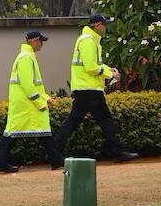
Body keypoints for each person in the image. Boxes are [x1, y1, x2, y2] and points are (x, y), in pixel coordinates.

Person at [54, 14, 139, 163]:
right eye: (104, 24)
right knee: (103, 121)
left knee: (80, 121)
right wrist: (109, 74)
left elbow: (95, 63)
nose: (106, 27)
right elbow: (91, 67)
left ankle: (55, 153)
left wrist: (108, 69)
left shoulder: (91, 40)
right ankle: (116, 152)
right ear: (97, 25)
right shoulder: (88, 41)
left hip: (87, 88)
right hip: (89, 89)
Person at [0, 31, 65, 173]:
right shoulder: (26, 58)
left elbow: (34, 84)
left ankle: (56, 160)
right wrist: (39, 101)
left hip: (24, 103)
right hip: (27, 104)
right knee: (18, 132)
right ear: (33, 41)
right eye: (41, 41)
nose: (42, 44)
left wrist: (45, 98)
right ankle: (56, 160)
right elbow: (28, 84)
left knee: (33, 130)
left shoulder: (27, 56)